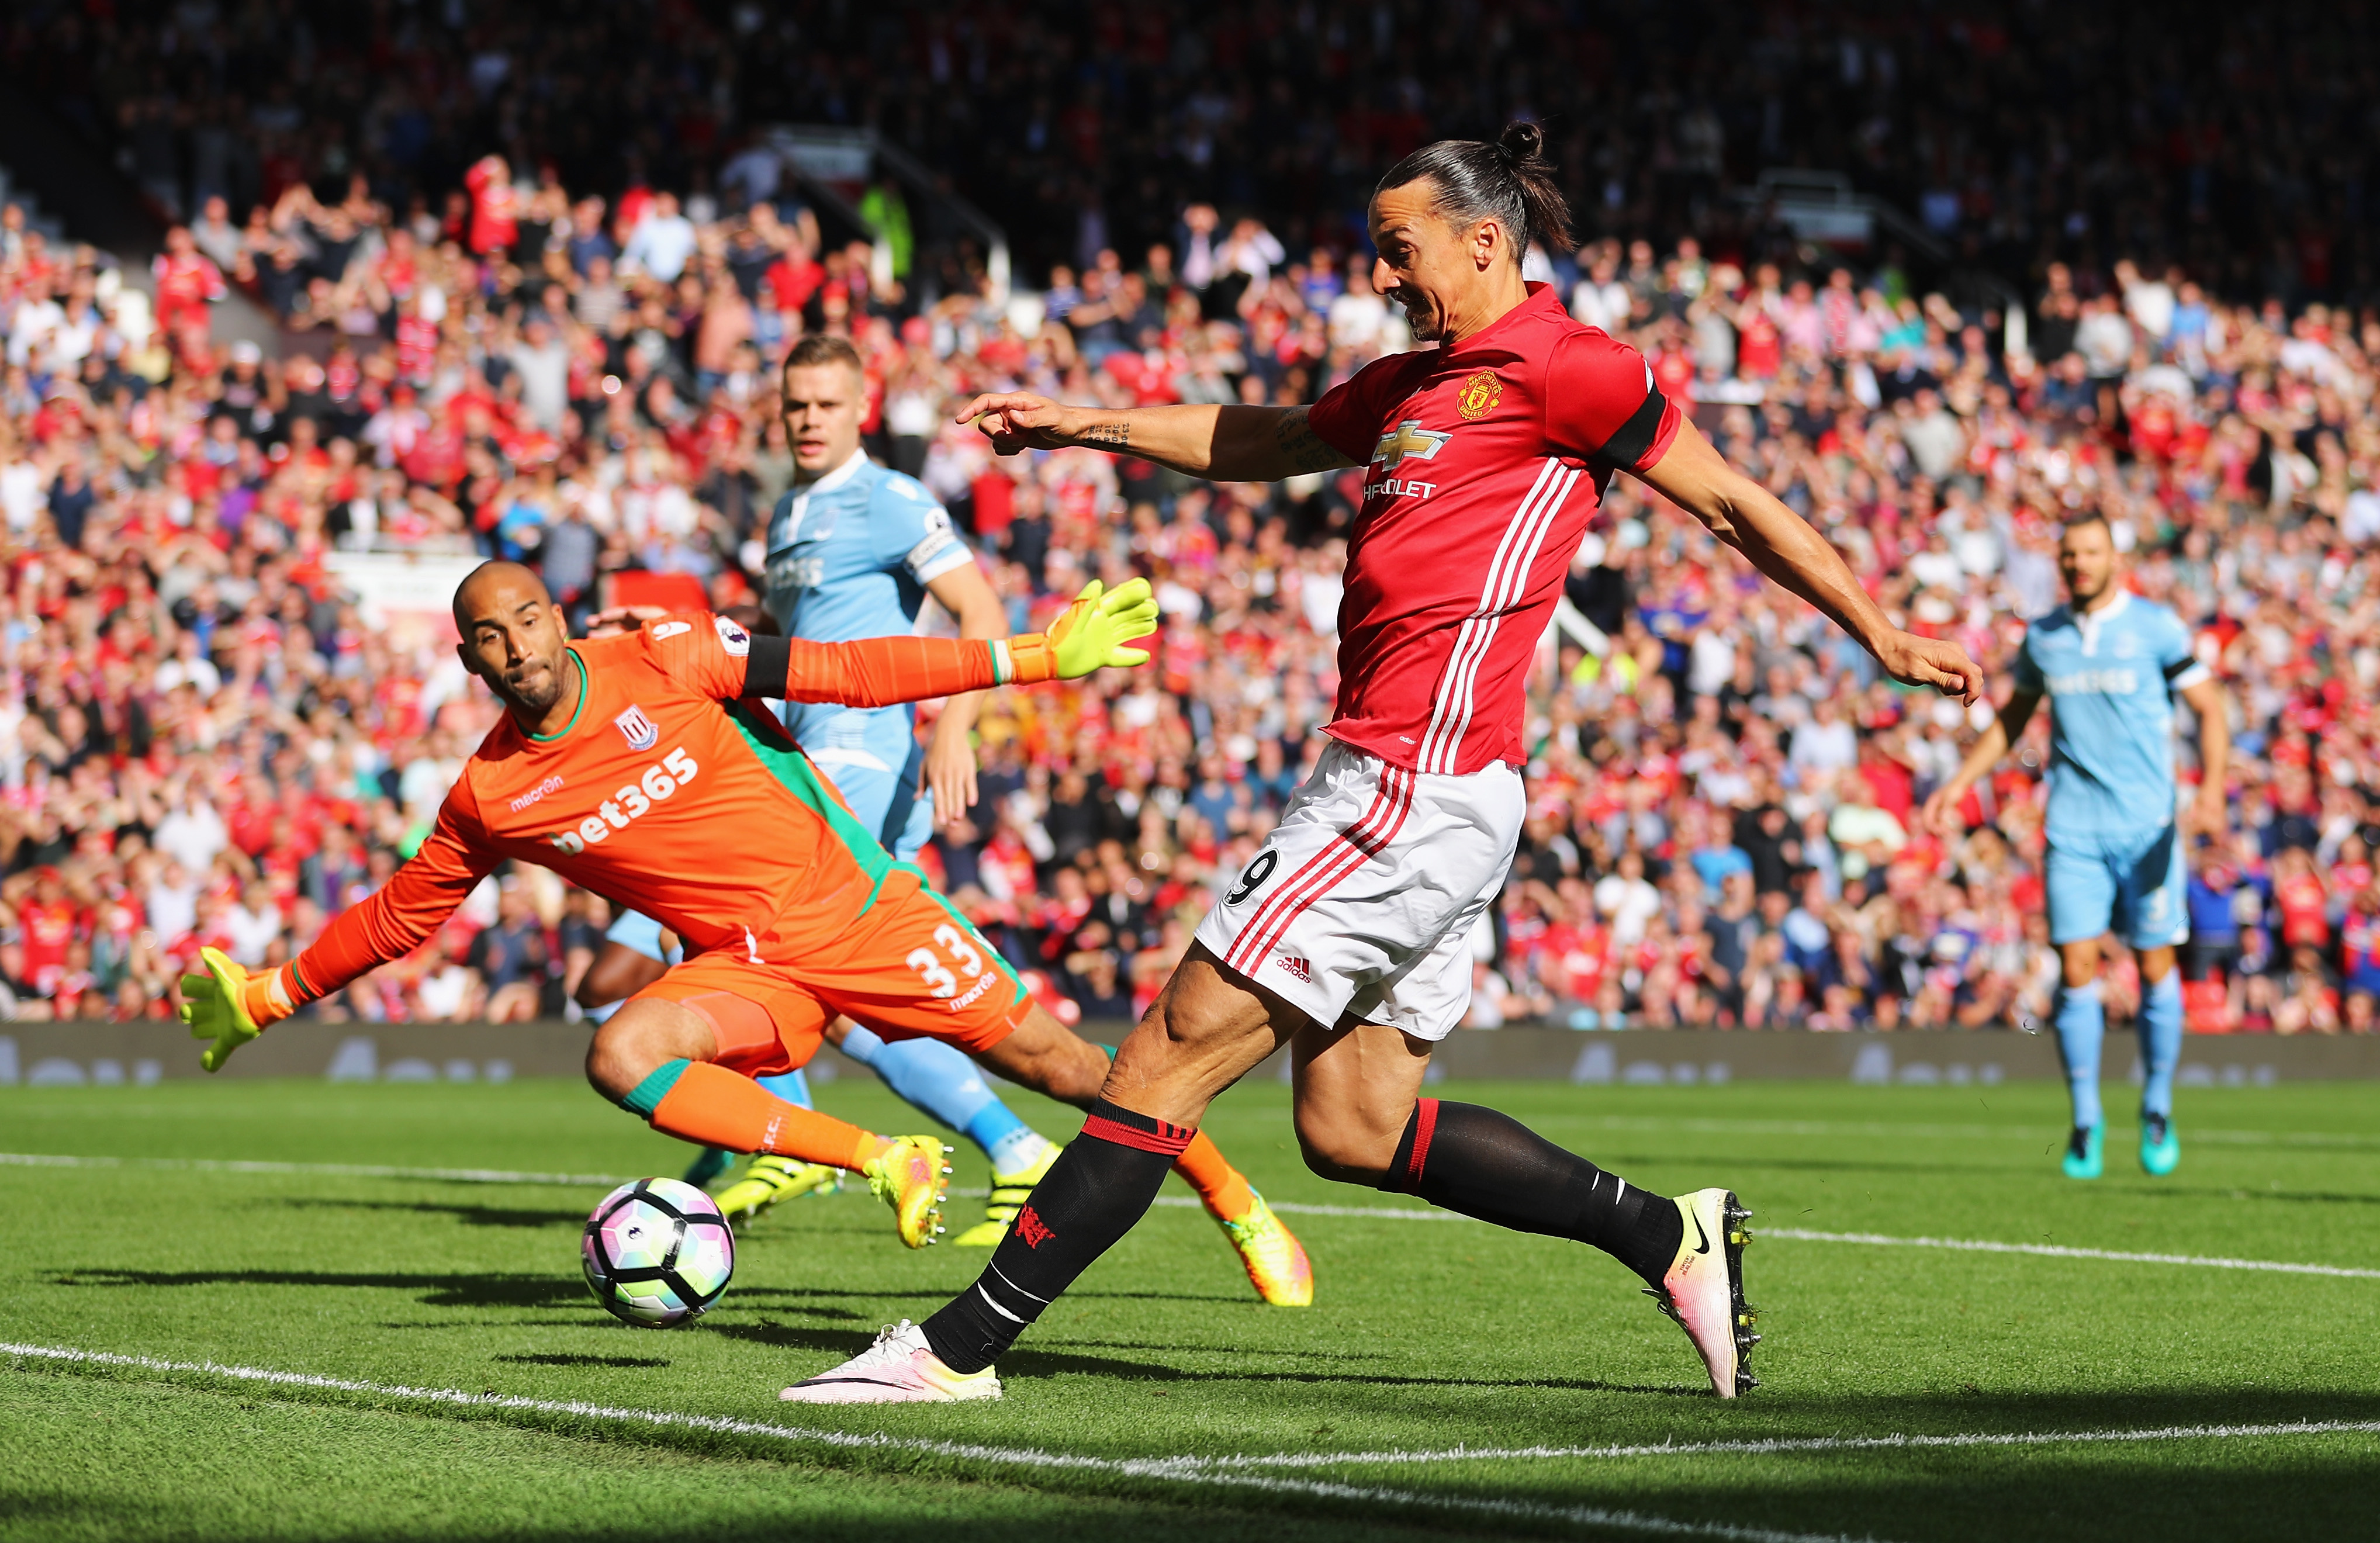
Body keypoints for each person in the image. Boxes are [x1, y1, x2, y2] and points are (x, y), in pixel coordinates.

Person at [781, 122, 1983, 1406]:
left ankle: (952, 1352)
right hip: (1409, 784)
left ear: (1482, 243)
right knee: (1350, 1129)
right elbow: (1269, 437)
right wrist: (1084, 423)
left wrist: (1877, 630)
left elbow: (1732, 501)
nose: (1377, 278)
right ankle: (1665, 1235)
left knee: (1167, 1053)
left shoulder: (1571, 368)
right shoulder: (1413, 383)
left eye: (1395, 252)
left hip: (1411, 780)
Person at [177, 562, 1299, 1298]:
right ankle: (879, 1155)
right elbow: (399, 913)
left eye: (526, 619)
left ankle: (1229, 1196)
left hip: (862, 913)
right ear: (468, 659)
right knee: (619, 1054)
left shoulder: (662, 656)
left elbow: (847, 673)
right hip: (749, 970)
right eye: (489, 636)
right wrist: (271, 994)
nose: (515, 646)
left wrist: (1035, 657)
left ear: (556, 618)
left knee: (1064, 1065)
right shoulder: (491, 795)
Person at [1923, 513, 2229, 1180]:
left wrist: (2210, 792)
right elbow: (2013, 719)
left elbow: (2211, 708)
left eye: (2090, 552)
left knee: (2154, 969)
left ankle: (2156, 1105)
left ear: (2114, 556)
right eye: (2068, 555)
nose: (2078, 564)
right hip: (2073, 831)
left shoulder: (2155, 627)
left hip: (2149, 829)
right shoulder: (2046, 636)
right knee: (2078, 971)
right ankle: (2086, 1119)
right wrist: (1960, 784)